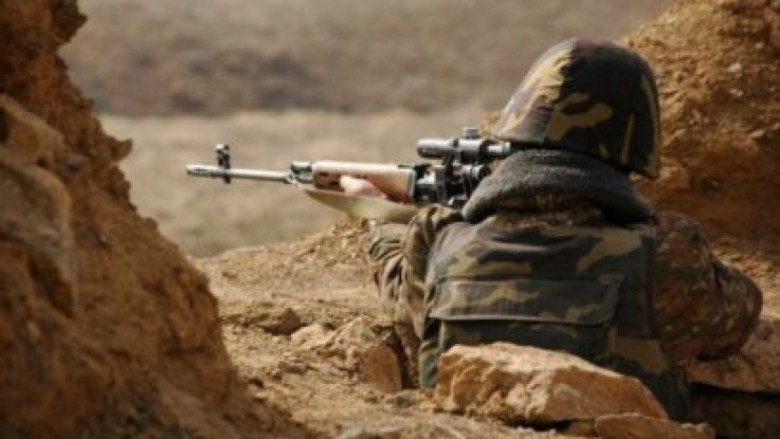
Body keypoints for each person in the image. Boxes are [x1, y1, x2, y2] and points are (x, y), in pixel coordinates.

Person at [342, 39, 762, 420]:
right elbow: (735, 320)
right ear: (636, 141)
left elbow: (399, 290)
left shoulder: (437, 239)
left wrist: (378, 212)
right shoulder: (663, 251)